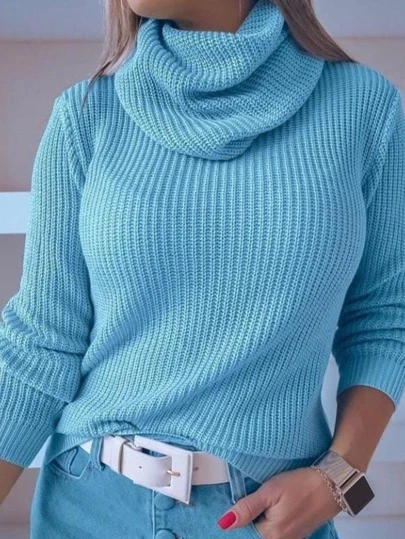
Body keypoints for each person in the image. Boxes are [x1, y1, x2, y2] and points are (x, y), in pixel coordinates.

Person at [1, 0, 404, 537]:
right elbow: (41, 343)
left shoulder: (365, 109)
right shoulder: (86, 114)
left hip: (266, 514)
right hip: (87, 504)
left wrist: (341, 479)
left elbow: (385, 316)